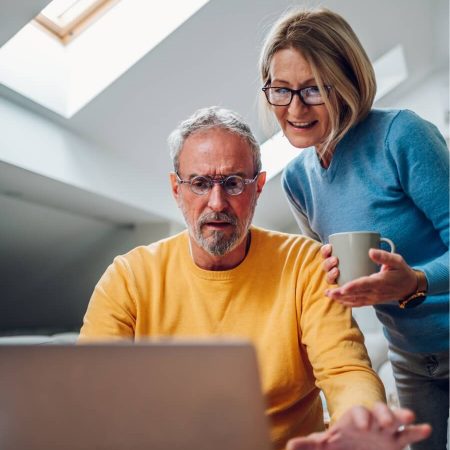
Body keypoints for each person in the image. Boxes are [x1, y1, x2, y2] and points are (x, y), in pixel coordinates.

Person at [79, 106, 430, 450]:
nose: (217, 203)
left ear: (259, 186)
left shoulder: (305, 263)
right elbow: (91, 391)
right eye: (200, 183)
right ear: (176, 188)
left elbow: (345, 371)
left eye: (233, 183)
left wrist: (360, 419)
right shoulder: (127, 277)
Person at [259, 7, 449, 450]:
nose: (295, 108)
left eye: (314, 89)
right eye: (281, 90)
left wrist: (416, 280)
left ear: (348, 82)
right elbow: (331, 276)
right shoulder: (297, 179)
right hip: (410, 355)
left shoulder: (401, 136)